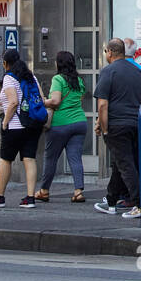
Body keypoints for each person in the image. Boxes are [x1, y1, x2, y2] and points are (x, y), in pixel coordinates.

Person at [93, 39, 141, 219]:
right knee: (121, 162)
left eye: (105, 52)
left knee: (125, 164)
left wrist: (104, 128)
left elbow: (102, 105)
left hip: (116, 125)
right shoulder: (139, 72)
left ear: (110, 52)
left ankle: (140, 204)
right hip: (136, 124)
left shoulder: (108, 71)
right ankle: (111, 201)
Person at [0, 47, 43, 208]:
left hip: (15, 126)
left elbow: (13, 102)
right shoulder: (31, 77)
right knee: (29, 159)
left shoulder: (9, 78)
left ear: (5, 63)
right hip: (33, 125)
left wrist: (4, 123)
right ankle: (30, 198)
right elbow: (42, 99)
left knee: (6, 159)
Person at [37, 50, 87, 205]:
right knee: (75, 158)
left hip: (60, 124)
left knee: (51, 158)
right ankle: (78, 191)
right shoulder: (79, 80)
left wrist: (43, 102)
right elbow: (81, 98)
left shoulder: (58, 79)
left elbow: (56, 101)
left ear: (59, 64)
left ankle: (44, 191)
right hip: (79, 122)